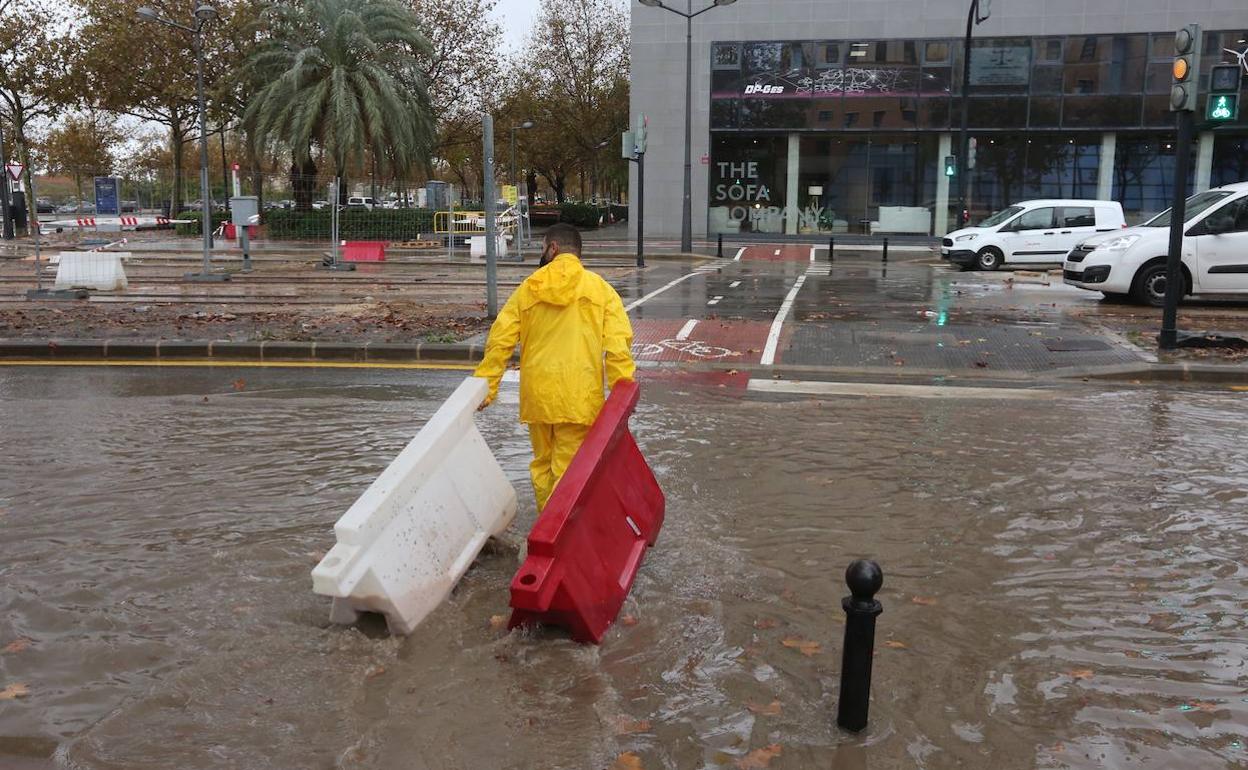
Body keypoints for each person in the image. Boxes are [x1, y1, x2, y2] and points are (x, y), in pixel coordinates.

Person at [474, 223, 635, 511]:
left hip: (538, 396)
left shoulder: (529, 288)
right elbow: (617, 347)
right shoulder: (600, 290)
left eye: (542, 248)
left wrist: (487, 386)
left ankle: (545, 525)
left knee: (542, 464)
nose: (542, 253)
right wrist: (622, 395)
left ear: (553, 248)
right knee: (569, 468)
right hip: (579, 396)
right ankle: (558, 536)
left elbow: (501, 339)